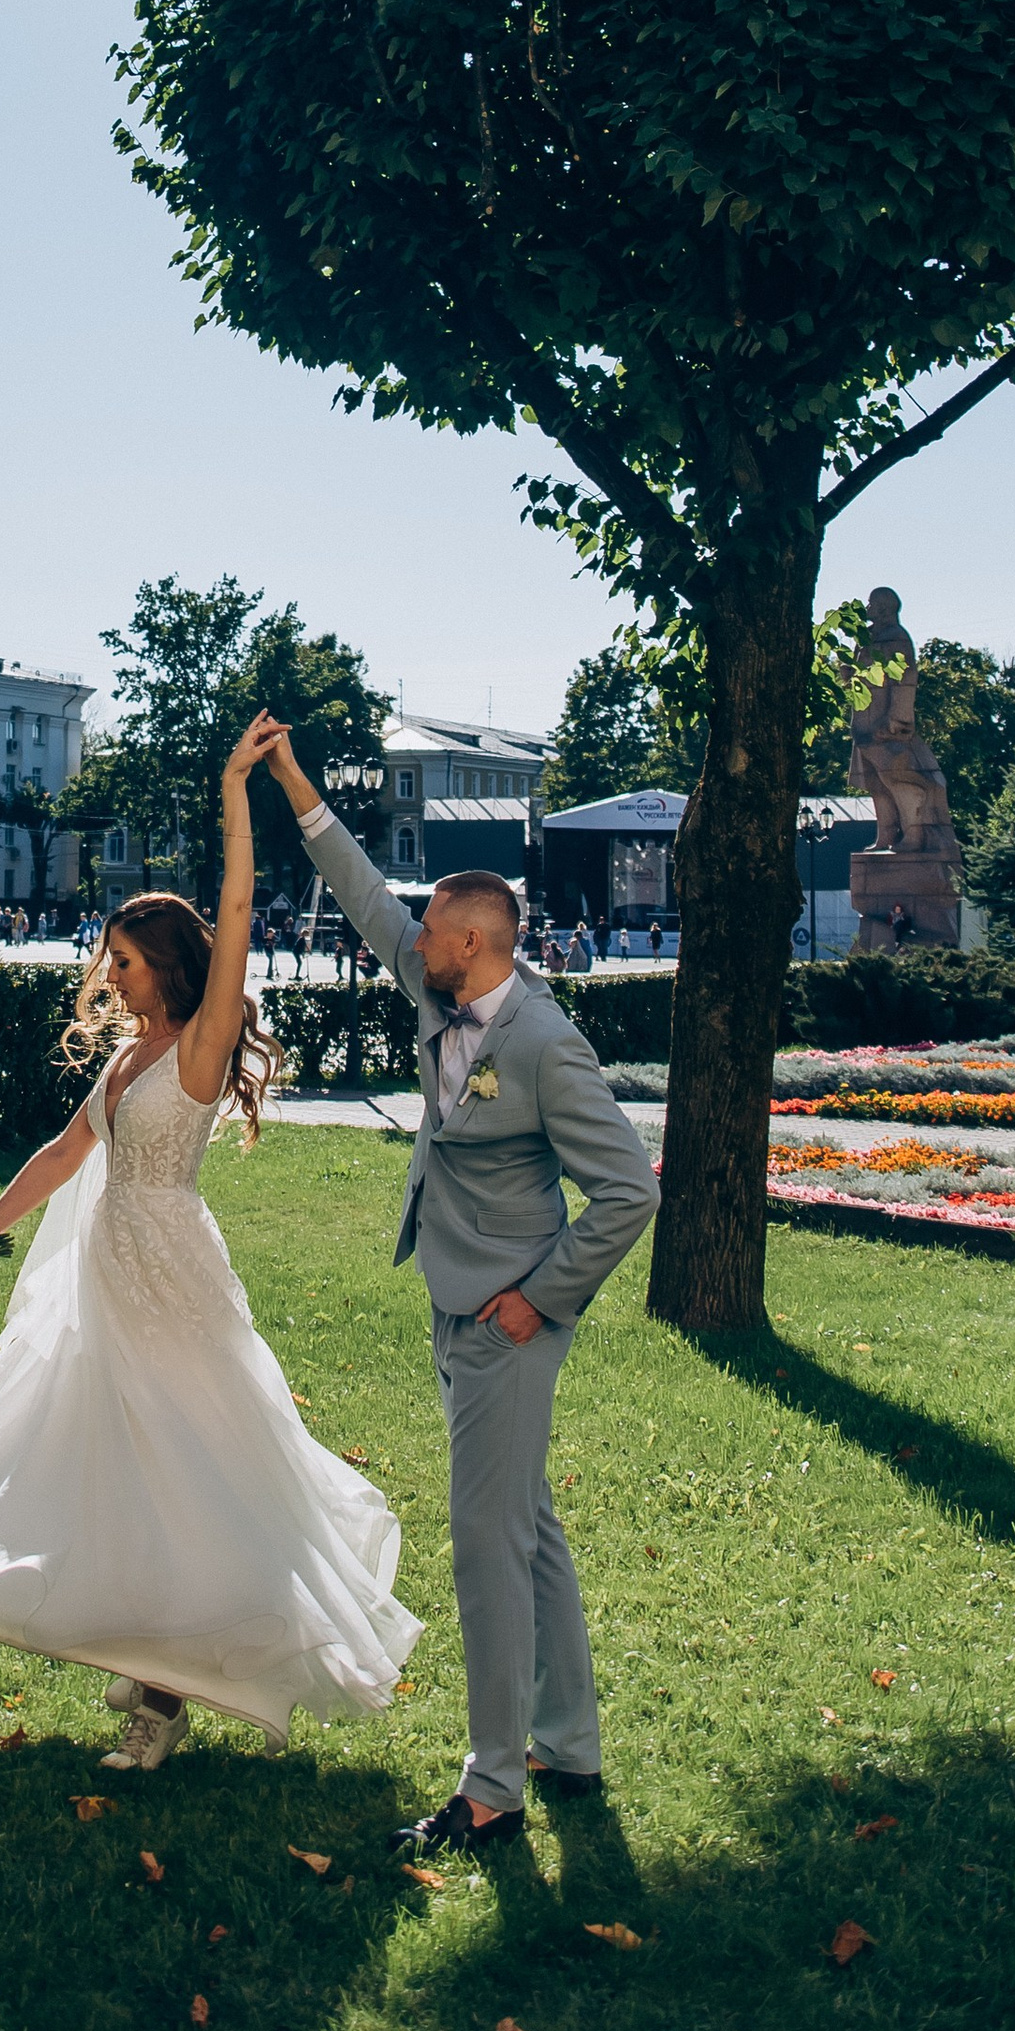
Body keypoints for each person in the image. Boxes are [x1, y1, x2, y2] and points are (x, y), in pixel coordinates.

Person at [0, 714, 417, 1767]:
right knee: (114, 1462)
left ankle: (163, 1694)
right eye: (106, 957)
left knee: (190, 1468)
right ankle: (152, 1649)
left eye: (120, 958)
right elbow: (66, 1155)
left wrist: (235, 799)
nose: (105, 971)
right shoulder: (124, 1061)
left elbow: (239, 911)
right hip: (107, 1277)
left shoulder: (200, 1047)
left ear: (162, 962)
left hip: (174, 1274)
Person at [261, 722, 658, 1860]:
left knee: (485, 1546)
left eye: (429, 929)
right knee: (526, 1529)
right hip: (457, 1296)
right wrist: (294, 785)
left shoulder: (542, 1042)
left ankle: (492, 1787)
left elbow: (629, 1194)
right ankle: (566, 1743)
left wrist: (542, 1301)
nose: (409, 939)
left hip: (507, 1316)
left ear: (474, 942)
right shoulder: (443, 982)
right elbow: (359, 892)